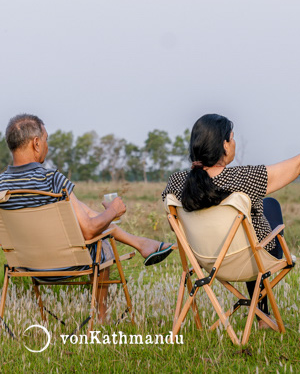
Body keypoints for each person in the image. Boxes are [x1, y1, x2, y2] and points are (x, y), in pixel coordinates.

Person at [162, 113, 300, 324]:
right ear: (224, 145)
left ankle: (260, 312)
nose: (234, 143)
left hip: (205, 263)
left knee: (256, 216)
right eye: (232, 137)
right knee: (269, 206)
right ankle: (263, 314)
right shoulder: (245, 178)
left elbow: (176, 229)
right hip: (249, 262)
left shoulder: (176, 183)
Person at [0, 114, 174, 322]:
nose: (47, 146)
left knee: (79, 207)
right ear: (36, 143)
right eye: (46, 140)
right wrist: (113, 212)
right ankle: (101, 318)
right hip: (66, 265)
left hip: (25, 267)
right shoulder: (52, 180)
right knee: (104, 245)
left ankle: (142, 243)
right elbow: (90, 231)